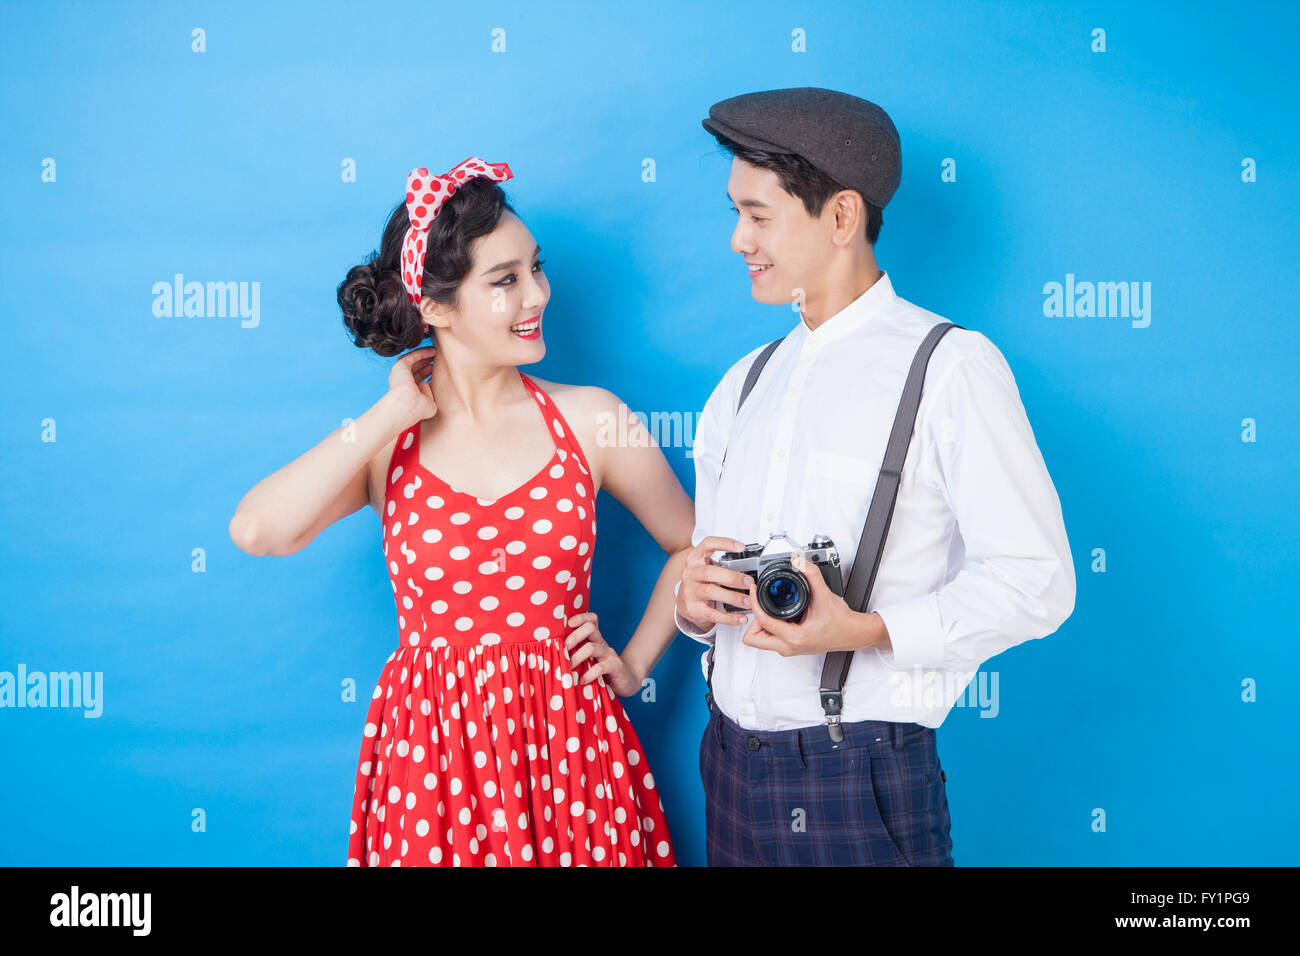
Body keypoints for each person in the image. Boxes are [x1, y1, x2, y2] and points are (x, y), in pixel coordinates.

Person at [230, 157, 693, 866]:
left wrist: (632, 664)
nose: (536, 294)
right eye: (505, 280)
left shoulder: (594, 420)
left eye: (536, 268)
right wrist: (391, 412)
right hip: (431, 768)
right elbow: (259, 529)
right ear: (435, 308)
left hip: (570, 755)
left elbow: (692, 545)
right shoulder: (389, 447)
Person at [674, 89, 1077, 866]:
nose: (737, 240)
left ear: (841, 216)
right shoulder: (742, 385)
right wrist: (694, 603)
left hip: (857, 774)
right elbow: (712, 566)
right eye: (736, 213)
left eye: (758, 216)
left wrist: (866, 631)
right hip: (725, 764)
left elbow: (1039, 580)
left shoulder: (949, 368)